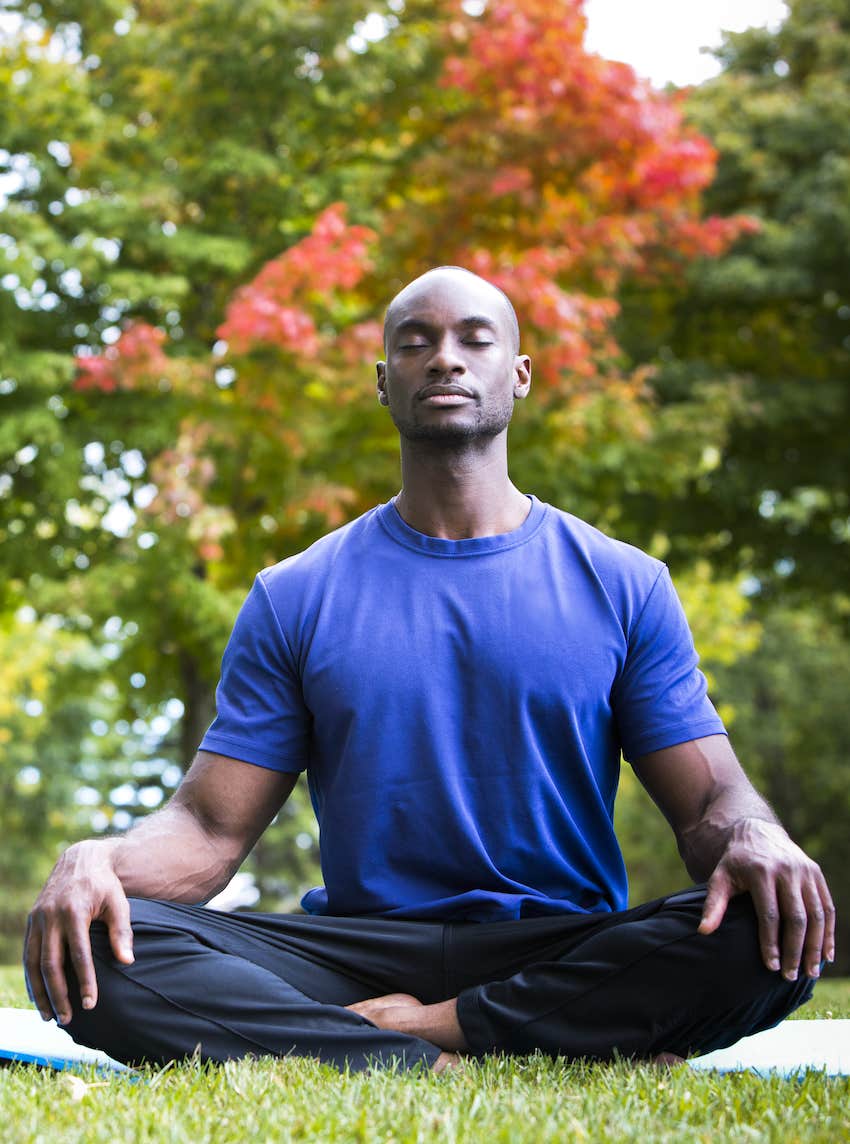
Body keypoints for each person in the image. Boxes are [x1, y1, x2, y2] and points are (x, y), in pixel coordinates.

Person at [25, 267, 834, 1074]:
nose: (446, 359)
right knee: (91, 942)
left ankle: (432, 1031)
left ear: (519, 375)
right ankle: (478, 1045)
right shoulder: (295, 594)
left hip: (557, 942)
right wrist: (100, 860)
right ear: (385, 383)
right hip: (356, 950)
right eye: (416, 344)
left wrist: (756, 834)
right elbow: (208, 832)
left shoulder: (624, 584)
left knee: (767, 922)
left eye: (475, 340)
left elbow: (707, 808)